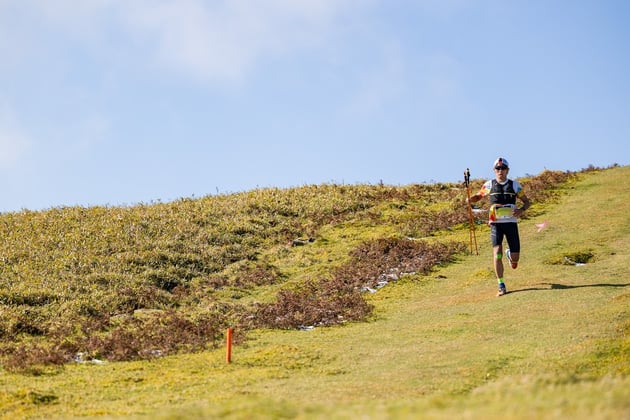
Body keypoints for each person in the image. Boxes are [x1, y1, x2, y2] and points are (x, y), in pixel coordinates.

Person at [467, 157, 531, 296]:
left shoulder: (515, 185)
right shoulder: (489, 184)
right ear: (494, 170)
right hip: (495, 222)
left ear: (507, 170)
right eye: (497, 168)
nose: (500, 171)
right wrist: (470, 199)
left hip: (511, 222)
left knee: (515, 259)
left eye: (503, 169)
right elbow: (479, 196)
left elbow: (526, 202)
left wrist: (521, 210)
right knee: (497, 254)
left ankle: (510, 255)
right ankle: (501, 285)